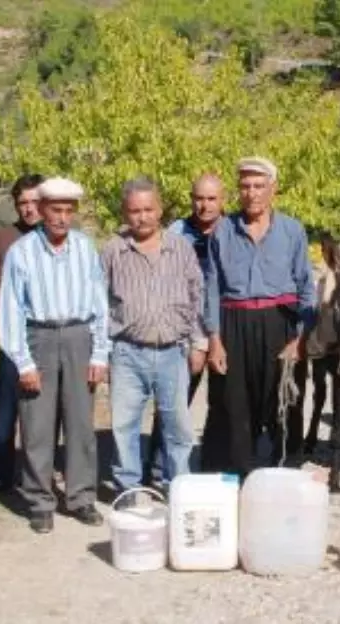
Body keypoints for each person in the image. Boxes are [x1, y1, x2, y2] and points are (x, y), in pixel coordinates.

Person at [0, 176, 109, 533]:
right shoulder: (22, 252)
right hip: (40, 338)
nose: (62, 218)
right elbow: (11, 308)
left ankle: (80, 497)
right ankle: (40, 501)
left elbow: (99, 303)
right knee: (37, 425)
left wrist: (100, 353)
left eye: (68, 210)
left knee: (80, 423)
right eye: (55, 210)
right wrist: (23, 361)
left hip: (79, 336)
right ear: (42, 210)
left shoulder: (85, 247)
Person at [203, 157, 317, 478]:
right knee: (236, 405)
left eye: (259, 186)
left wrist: (300, 338)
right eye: (245, 186)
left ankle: (287, 471)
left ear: (273, 189)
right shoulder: (223, 231)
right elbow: (211, 288)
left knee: (285, 401)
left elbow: (307, 287)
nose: (251, 193)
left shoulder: (292, 231)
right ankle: (243, 476)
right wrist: (214, 340)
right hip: (234, 324)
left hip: (280, 323)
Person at [103, 177, 206, 491]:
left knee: (178, 428)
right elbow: (100, 302)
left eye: (148, 209)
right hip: (126, 352)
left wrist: (198, 343)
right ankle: (129, 489)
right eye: (135, 210)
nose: (142, 216)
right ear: (125, 212)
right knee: (124, 426)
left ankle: (178, 488)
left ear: (159, 210)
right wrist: (101, 351)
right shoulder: (113, 252)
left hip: (172, 352)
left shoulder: (181, 248)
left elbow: (196, 297)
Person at [145, 174, 224, 480]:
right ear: (191, 198)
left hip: (221, 330)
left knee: (222, 407)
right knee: (172, 405)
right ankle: (157, 469)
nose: (204, 206)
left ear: (222, 200)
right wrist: (193, 338)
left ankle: (213, 468)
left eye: (211, 199)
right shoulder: (176, 233)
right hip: (184, 332)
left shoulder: (231, 230)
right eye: (199, 198)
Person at [0, 173, 43, 500]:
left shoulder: (59, 236)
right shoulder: (4, 239)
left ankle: (42, 472)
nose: (29, 209)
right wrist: (12, 328)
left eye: (34, 202)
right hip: (15, 336)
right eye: (23, 203)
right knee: (5, 409)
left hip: (51, 335)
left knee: (48, 408)